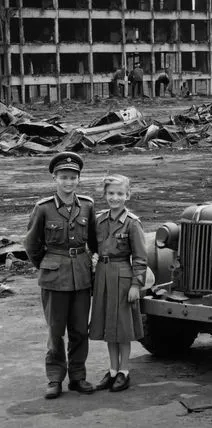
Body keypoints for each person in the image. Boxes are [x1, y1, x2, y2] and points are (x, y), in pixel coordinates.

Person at [24, 152, 98, 399]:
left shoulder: (87, 205)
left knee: (79, 330)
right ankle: (55, 378)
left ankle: (78, 377)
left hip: (81, 276)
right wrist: (47, 264)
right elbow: (31, 244)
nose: (68, 182)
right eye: (64, 177)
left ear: (79, 179)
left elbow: (95, 241)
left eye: (73, 177)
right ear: (54, 178)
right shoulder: (43, 208)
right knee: (55, 331)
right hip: (54, 277)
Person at [89, 175, 147, 392]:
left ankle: (124, 371)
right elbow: (92, 247)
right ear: (104, 195)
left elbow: (140, 258)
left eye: (120, 194)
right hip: (102, 276)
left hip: (123, 276)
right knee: (107, 326)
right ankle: (112, 371)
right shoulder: (99, 220)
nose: (115, 198)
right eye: (111, 193)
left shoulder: (132, 223)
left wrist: (136, 285)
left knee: (122, 328)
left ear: (127, 195)